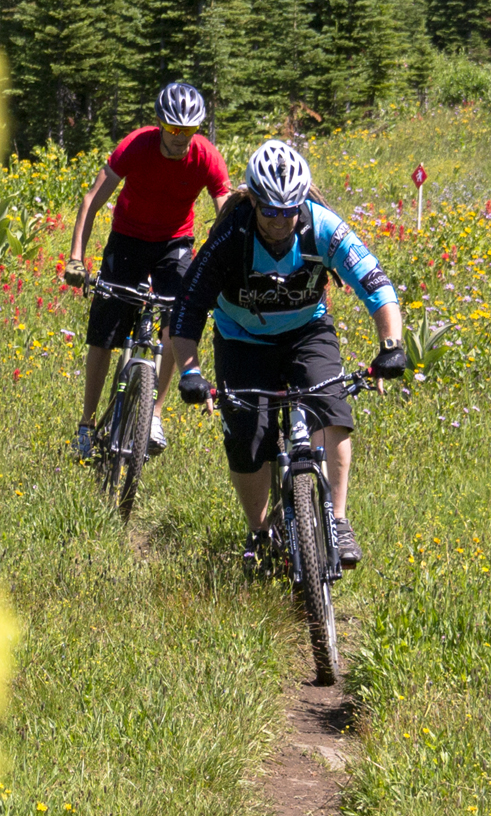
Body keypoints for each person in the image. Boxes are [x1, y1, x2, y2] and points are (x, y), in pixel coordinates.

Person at [165, 137, 406, 573]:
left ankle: (337, 520)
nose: (280, 221)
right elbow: (186, 310)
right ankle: (260, 532)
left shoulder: (322, 227)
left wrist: (391, 345)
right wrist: (190, 371)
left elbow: (376, 284)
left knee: (332, 409)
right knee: (247, 439)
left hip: (307, 332)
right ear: (253, 200)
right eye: (270, 211)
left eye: (289, 210)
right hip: (241, 339)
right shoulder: (231, 236)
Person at [61, 83, 228, 460]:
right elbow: (91, 201)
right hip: (128, 239)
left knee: (179, 323)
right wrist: (76, 258)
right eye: (173, 129)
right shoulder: (136, 145)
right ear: (159, 124)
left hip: (175, 243)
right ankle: (86, 425)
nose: (180, 139)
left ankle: (153, 415)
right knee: (104, 333)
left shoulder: (205, 156)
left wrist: (228, 270)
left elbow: (225, 212)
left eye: (188, 131)